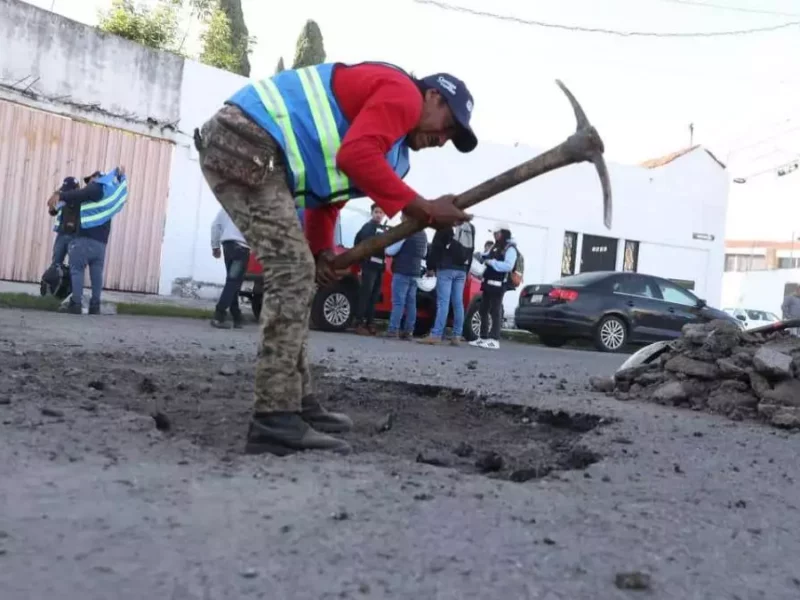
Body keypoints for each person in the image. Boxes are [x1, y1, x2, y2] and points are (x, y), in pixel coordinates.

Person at [193, 60, 476, 456]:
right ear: (432, 96)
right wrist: (424, 209)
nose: (443, 139)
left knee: (300, 272)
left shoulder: (393, 146)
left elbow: (329, 195)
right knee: (291, 272)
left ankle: (298, 402)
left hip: (250, 147)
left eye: (452, 137)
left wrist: (323, 251)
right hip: (246, 140)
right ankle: (274, 419)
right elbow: (356, 156)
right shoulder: (403, 95)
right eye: (448, 125)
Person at [47, 168, 128, 315]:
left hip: (84, 240)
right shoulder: (107, 198)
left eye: (90, 179)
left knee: (77, 271)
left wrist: (60, 194)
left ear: (97, 178)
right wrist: (121, 177)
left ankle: (76, 304)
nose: (88, 183)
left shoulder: (96, 187)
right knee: (96, 275)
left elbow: (82, 193)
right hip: (100, 244)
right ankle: (95, 305)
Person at [418, 221, 476, 345]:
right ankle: (456, 336)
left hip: (446, 268)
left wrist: (430, 267)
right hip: (462, 270)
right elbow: (471, 249)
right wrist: (466, 271)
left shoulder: (445, 224)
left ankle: (436, 334)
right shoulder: (469, 227)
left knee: (443, 302)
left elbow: (436, 248)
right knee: (458, 303)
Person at [470, 224, 517, 350]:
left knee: (495, 311)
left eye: (497, 233)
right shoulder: (496, 246)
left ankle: (494, 339)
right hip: (487, 283)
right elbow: (487, 255)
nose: (494, 235)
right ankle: (483, 337)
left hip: (498, 284)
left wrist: (492, 263)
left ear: (504, 233)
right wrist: (481, 256)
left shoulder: (510, 249)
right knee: (483, 310)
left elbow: (508, 266)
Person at [384, 214, 428, 340]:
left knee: (398, 302)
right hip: (415, 272)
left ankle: (393, 330)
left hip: (402, 271)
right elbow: (424, 253)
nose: (401, 219)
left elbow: (390, 251)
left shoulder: (405, 232)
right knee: (411, 303)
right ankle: (408, 332)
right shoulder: (423, 234)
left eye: (402, 217)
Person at [210, 207, 251, 329]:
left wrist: (215, 245)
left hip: (227, 246)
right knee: (233, 282)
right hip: (241, 248)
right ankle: (219, 315)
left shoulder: (227, 205)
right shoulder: (252, 206)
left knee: (232, 282)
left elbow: (215, 225)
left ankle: (236, 316)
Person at [352, 203, 387, 335]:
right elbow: (360, 245)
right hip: (368, 267)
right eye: (376, 212)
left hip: (379, 267)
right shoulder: (367, 228)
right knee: (365, 295)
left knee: (374, 297)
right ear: (372, 213)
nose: (378, 215)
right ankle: (359, 322)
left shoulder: (383, 229)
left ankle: (370, 323)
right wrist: (362, 264)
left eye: (381, 212)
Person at [48, 176, 81, 266]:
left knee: (75, 265)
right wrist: (56, 194)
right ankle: (54, 278)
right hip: (62, 234)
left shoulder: (82, 198)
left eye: (69, 190)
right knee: (56, 262)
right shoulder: (63, 198)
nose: (67, 192)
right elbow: (52, 211)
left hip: (76, 235)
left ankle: (71, 280)